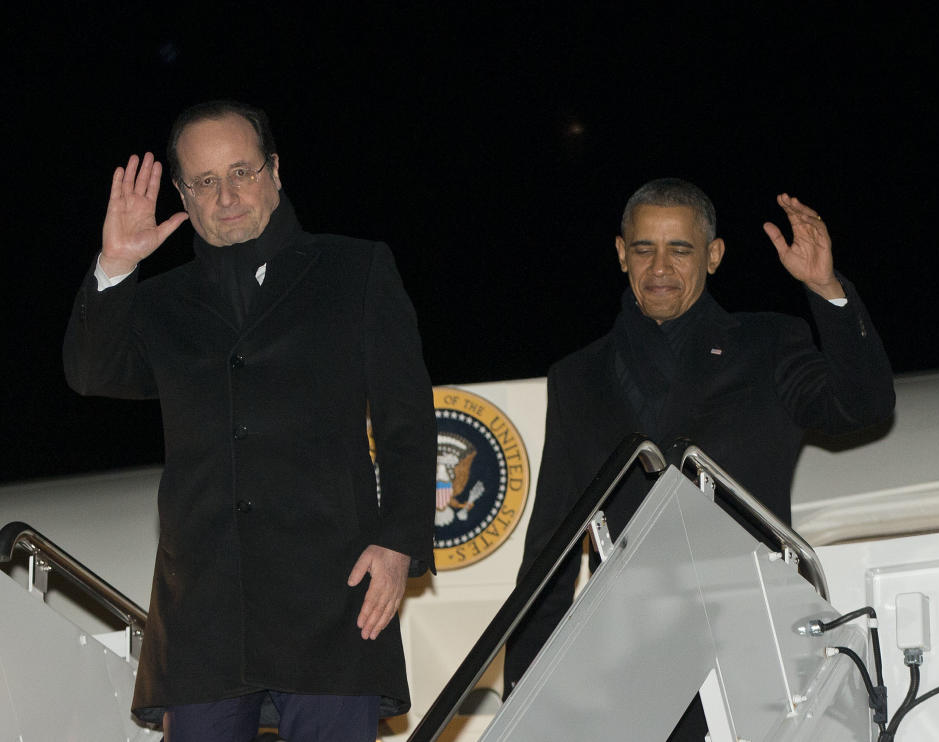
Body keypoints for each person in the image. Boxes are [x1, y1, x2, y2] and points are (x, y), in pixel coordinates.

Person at [63, 100, 437, 742]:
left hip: (332, 597)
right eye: (205, 181)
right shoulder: (160, 300)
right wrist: (116, 264)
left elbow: (407, 421)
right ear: (181, 193)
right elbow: (91, 373)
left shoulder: (355, 269)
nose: (227, 195)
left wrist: (399, 542)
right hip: (205, 611)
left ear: (275, 171)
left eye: (242, 171)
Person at [503, 178, 895, 737]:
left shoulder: (767, 344)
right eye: (644, 249)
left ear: (713, 257)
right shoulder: (578, 377)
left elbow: (864, 405)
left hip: (751, 649)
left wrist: (826, 289)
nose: (659, 267)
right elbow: (553, 546)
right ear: (621, 255)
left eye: (680, 249)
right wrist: (527, 695)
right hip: (629, 662)